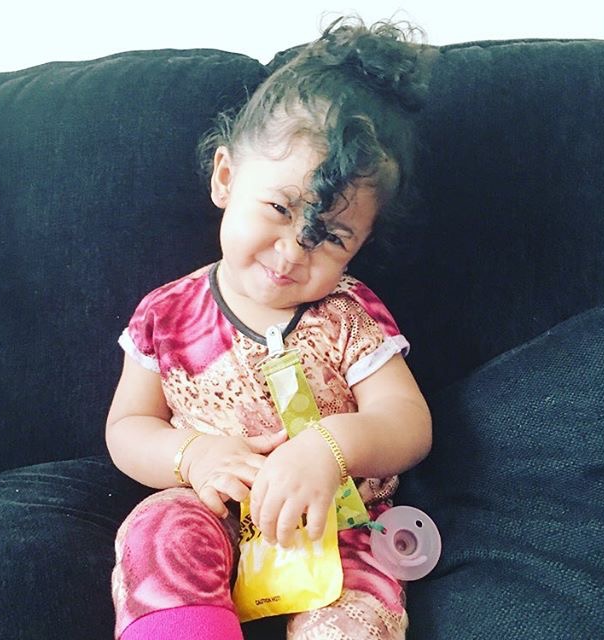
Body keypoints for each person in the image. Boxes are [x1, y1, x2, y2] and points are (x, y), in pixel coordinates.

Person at [106, 15, 432, 640]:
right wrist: (191, 454)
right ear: (226, 178)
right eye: (279, 208)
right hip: (212, 509)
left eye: (330, 237)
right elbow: (127, 427)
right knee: (157, 531)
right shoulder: (165, 315)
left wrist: (330, 448)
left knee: (362, 604)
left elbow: (407, 424)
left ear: (361, 243)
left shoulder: (350, 314)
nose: (292, 253)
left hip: (335, 523)